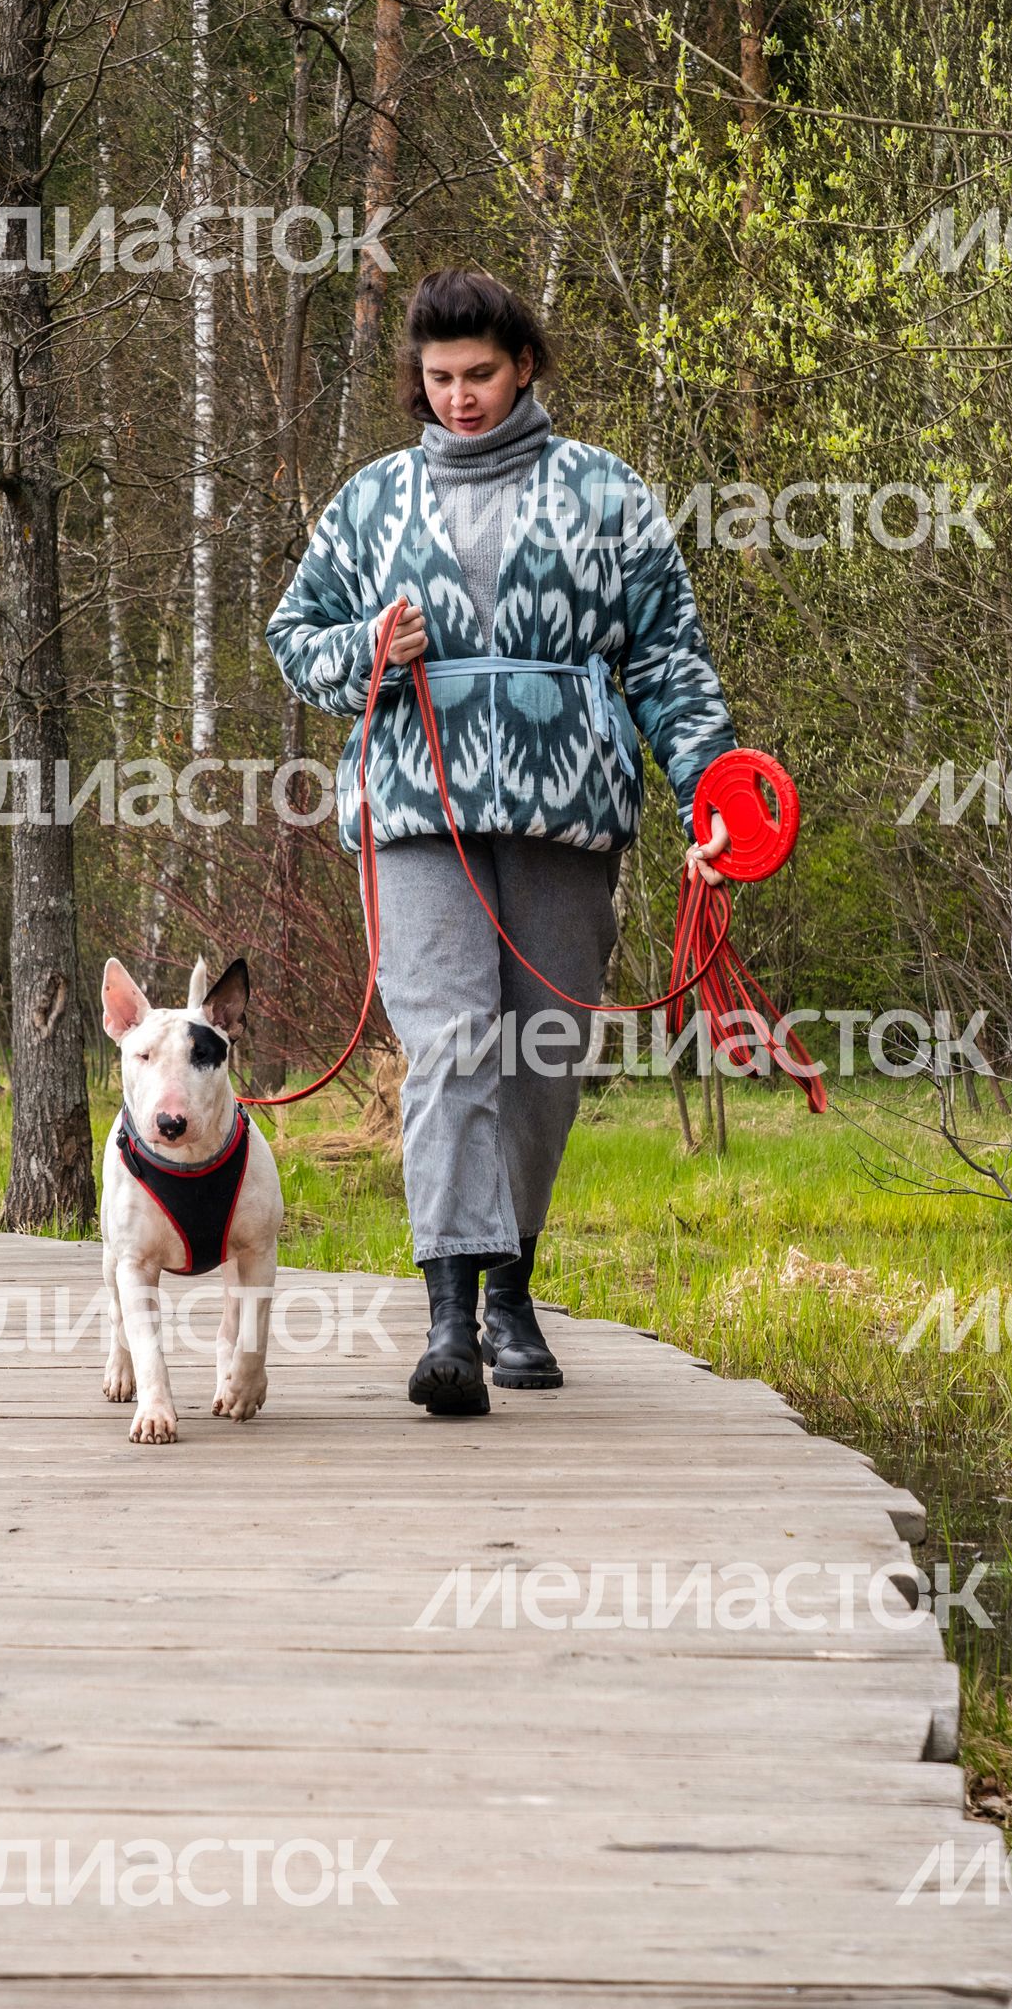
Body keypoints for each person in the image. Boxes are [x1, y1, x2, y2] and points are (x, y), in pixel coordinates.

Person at [266, 267, 738, 1417]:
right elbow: (292, 639)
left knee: (540, 1059)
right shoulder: (371, 501)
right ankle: (448, 1320)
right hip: (416, 811)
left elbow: (666, 655)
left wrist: (714, 790)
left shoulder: (607, 493)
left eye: (479, 375)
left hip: (566, 809)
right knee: (448, 1048)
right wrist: (368, 645)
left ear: (523, 366)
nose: (460, 398)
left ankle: (513, 1286)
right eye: (438, 379)